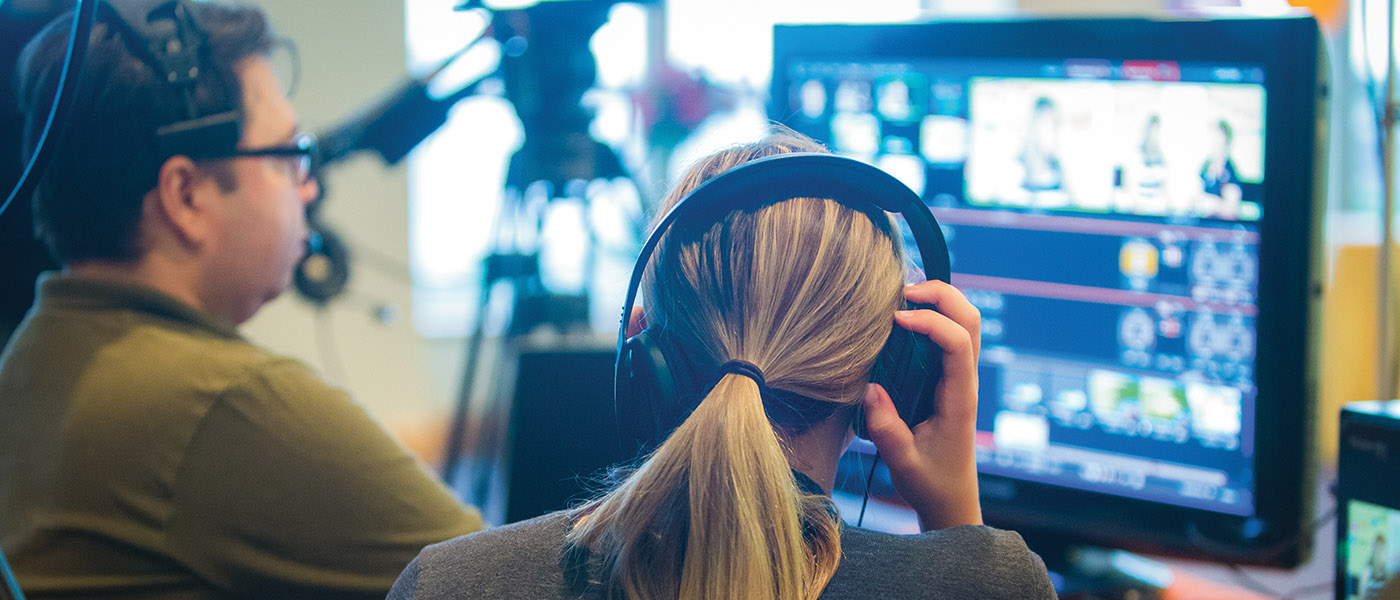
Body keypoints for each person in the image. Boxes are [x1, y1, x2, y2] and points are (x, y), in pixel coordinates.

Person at [387, 133, 1056, 599]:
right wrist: (960, 530)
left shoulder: (448, 585)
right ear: (891, 374)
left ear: (643, 356)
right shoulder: (990, 586)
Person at [0, 2, 483, 598]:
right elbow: (507, 582)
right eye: (285, 154)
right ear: (186, 194)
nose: (308, 184)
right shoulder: (221, 402)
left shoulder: (29, 358)